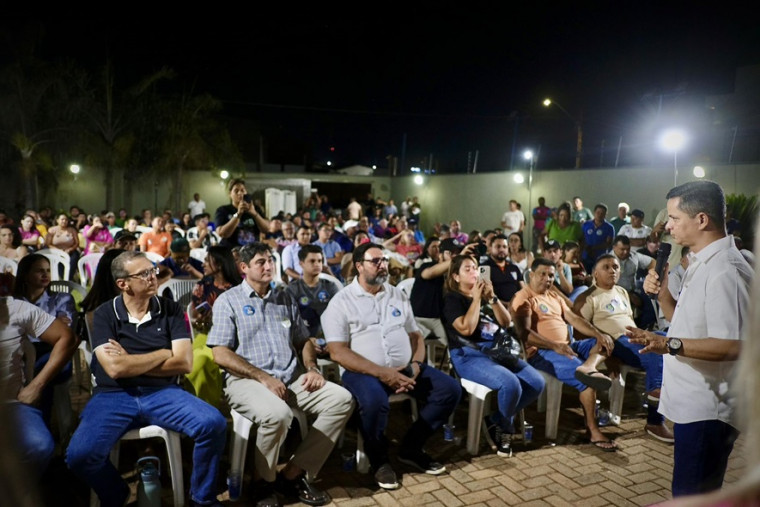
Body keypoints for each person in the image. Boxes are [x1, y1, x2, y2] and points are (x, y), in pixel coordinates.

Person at [66, 251, 227, 507]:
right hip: (113, 395)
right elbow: (115, 370)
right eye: (144, 274)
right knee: (80, 456)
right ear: (123, 284)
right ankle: (117, 493)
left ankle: (202, 498)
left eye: (152, 270)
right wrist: (164, 354)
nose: (153, 277)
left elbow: (184, 363)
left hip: (164, 393)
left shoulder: (171, 309)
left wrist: (130, 360)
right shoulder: (104, 314)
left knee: (214, 424)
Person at [625, 180, 752, 497]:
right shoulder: (701, 261)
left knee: (691, 498)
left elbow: (735, 344)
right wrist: (664, 292)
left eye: (673, 218)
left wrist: (667, 344)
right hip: (694, 408)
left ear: (702, 220)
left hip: (710, 411)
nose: (666, 226)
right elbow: (686, 321)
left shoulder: (726, 271)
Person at [207, 243, 353, 506]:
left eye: (270, 261)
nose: (268, 267)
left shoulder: (284, 297)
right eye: (260, 262)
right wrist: (262, 377)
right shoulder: (229, 301)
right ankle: (263, 482)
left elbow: (303, 340)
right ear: (243, 268)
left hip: (291, 378)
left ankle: (293, 474)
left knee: (341, 399)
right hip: (247, 381)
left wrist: (311, 368)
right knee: (278, 415)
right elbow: (220, 354)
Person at [321, 242, 462, 490]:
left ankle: (411, 447)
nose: (382, 265)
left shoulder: (397, 294)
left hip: (406, 368)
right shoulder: (341, 302)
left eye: (384, 260)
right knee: (375, 402)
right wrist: (382, 373)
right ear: (358, 266)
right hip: (362, 372)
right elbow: (337, 351)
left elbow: (416, 336)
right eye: (375, 261)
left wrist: (417, 364)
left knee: (449, 390)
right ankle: (379, 460)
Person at [442, 255, 545, 457]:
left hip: (497, 351)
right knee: (510, 383)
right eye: (468, 269)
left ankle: (496, 419)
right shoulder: (452, 299)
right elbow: (466, 328)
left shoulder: (485, 296)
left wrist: (493, 298)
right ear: (455, 276)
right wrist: (477, 299)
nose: (474, 272)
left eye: (475, 267)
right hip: (469, 355)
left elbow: (506, 323)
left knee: (536, 382)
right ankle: (505, 430)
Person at [511, 257, 618, 450]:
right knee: (587, 382)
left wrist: (598, 333)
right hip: (543, 353)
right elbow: (524, 334)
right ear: (531, 275)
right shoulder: (523, 297)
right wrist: (554, 346)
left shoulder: (553, 296)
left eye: (551, 275)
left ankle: (588, 366)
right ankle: (593, 431)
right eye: (542, 274)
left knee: (605, 343)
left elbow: (574, 319)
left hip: (568, 346)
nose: (547, 279)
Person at [572, 254, 673, 442]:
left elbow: (628, 321)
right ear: (595, 273)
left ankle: (670, 393)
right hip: (616, 343)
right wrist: (608, 356)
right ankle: (655, 421)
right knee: (654, 354)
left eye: (616, 267)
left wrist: (642, 335)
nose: (613, 270)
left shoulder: (622, 292)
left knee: (668, 340)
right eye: (606, 267)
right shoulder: (588, 298)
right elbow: (580, 335)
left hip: (634, 336)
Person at [0, 296, 75, 482]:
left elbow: (67, 337)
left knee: (39, 445)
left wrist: (36, 385)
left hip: (11, 404)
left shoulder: (17, 309)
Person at [13, 254, 76, 423]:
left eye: (48, 270)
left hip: (54, 352)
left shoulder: (61, 298)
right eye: (39, 271)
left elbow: (65, 331)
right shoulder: (14, 301)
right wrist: (51, 324)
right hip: (21, 352)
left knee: (42, 370)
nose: (45, 275)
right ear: (25, 275)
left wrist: (26, 327)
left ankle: (37, 424)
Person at [186, 246, 242, 408]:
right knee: (193, 361)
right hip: (206, 335)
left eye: (206, 260)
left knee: (203, 361)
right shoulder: (203, 285)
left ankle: (206, 409)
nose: (203, 264)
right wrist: (200, 320)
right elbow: (196, 315)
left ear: (218, 264)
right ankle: (198, 409)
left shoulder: (238, 288)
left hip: (233, 340)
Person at [215, 178, 270, 248]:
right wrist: (238, 214)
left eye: (242, 190)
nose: (240, 193)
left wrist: (254, 214)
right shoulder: (223, 210)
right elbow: (222, 233)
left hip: (252, 252)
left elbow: (266, 229)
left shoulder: (255, 209)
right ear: (230, 194)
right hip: (231, 252)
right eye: (236, 191)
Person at [483, 234, 523, 304]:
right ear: (490, 248)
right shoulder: (484, 268)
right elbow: (484, 295)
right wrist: (507, 305)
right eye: (498, 247)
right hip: (494, 308)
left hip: (517, 306)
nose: (501, 249)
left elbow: (523, 289)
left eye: (504, 247)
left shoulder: (514, 268)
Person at [581, 203, 615, 272]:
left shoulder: (609, 227)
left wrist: (594, 248)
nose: (600, 215)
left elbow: (609, 243)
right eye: (598, 212)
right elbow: (581, 238)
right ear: (594, 212)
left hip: (600, 258)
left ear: (606, 214)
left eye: (602, 213)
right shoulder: (586, 224)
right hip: (585, 256)